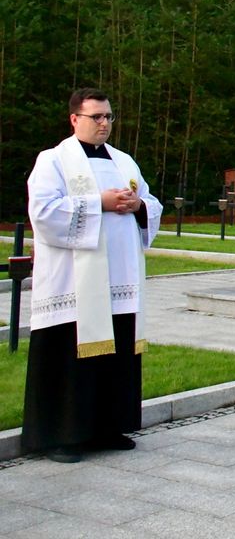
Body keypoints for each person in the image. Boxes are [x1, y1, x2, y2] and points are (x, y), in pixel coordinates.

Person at [23, 88, 163, 463]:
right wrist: (97, 203)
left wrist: (138, 206)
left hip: (120, 279)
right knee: (68, 358)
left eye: (108, 117)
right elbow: (44, 212)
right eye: (96, 117)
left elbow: (151, 203)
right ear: (74, 119)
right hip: (73, 283)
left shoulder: (124, 162)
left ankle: (107, 426)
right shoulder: (53, 161)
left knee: (114, 357)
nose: (104, 124)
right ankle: (61, 436)